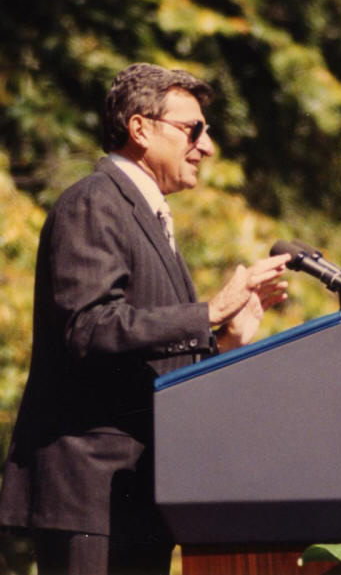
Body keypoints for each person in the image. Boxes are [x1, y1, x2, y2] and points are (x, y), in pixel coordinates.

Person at [0, 62, 290, 575]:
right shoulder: (94, 202)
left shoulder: (149, 218)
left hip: (139, 497)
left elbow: (150, 357)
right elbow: (87, 328)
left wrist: (225, 339)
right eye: (192, 129)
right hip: (91, 494)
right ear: (139, 128)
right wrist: (207, 312)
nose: (206, 146)